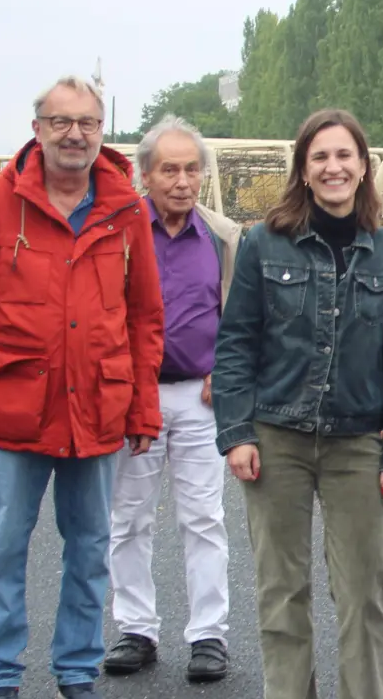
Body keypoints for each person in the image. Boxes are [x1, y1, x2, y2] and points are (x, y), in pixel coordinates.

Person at [0, 75, 165, 699]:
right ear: (37, 129)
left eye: (87, 123)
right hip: (10, 410)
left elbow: (144, 317)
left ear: (101, 134)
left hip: (97, 409)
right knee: (2, 549)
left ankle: (77, 673)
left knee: (90, 551)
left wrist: (143, 410)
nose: (75, 134)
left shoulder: (125, 210)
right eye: (61, 122)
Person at [211, 108, 383, 699]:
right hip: (277, 435)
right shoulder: (261, 244)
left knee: (365, 591)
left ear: (362, 168)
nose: (333, 167)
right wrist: (237, 432)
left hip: (359, 442)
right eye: (320, 156)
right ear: (303, 169)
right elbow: (236, 344)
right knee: (282, 592)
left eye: (344, 155)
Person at [103, 116, 242, 683]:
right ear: (145, 174)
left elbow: (240, 314)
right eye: (169, 169)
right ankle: (136, 628)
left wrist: (225, 368)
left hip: (199, 398)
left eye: (191, 169)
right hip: (134, 401)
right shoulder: (117, 233)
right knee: (128, 518)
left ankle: (209, 635)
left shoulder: (224, 235)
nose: (182, 181)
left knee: (204, 519)